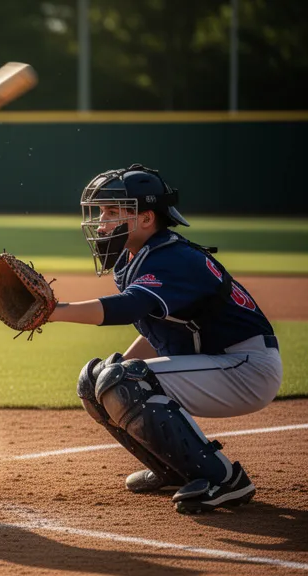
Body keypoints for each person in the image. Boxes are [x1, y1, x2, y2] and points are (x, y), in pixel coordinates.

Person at [48, 163, 281, 514]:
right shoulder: (137, 258)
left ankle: (224, 479)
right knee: (96, 381)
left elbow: (128, 308)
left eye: (112, 211)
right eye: (100, 212)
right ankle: (174, 469)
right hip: (218, 363)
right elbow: (157, 333)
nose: (101, 221)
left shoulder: (174, 258)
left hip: (245, 367)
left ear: (146, 218)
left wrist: (55, 310)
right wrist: (114, 380)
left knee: (122, 381)